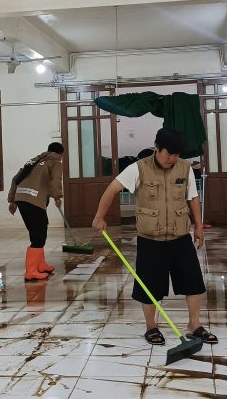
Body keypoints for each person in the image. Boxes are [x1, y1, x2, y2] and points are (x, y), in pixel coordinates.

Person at [91, 128, 218, 346]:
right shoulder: (138, 168)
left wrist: (198, 225)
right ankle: (151, 327)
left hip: (180, 236)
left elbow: (192, 198)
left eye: (176, 154)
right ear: (157, 148)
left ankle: (194, 325)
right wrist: (99, 216)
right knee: (149, 287)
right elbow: (111, 190)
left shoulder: (185, 167)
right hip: (150, 239)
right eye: (168, 154)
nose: (172, 159)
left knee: (194, 283)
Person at [8, 142, 64, 282]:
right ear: (60, 153)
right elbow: (56, 180)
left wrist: (12, 201)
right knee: (39, 234)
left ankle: (40, 265)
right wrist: (57, 196)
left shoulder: (34, 160)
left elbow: (16, 179)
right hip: (34, 200)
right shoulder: (56, 161)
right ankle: (31, 272)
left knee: (36, 233)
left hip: (21, 199)